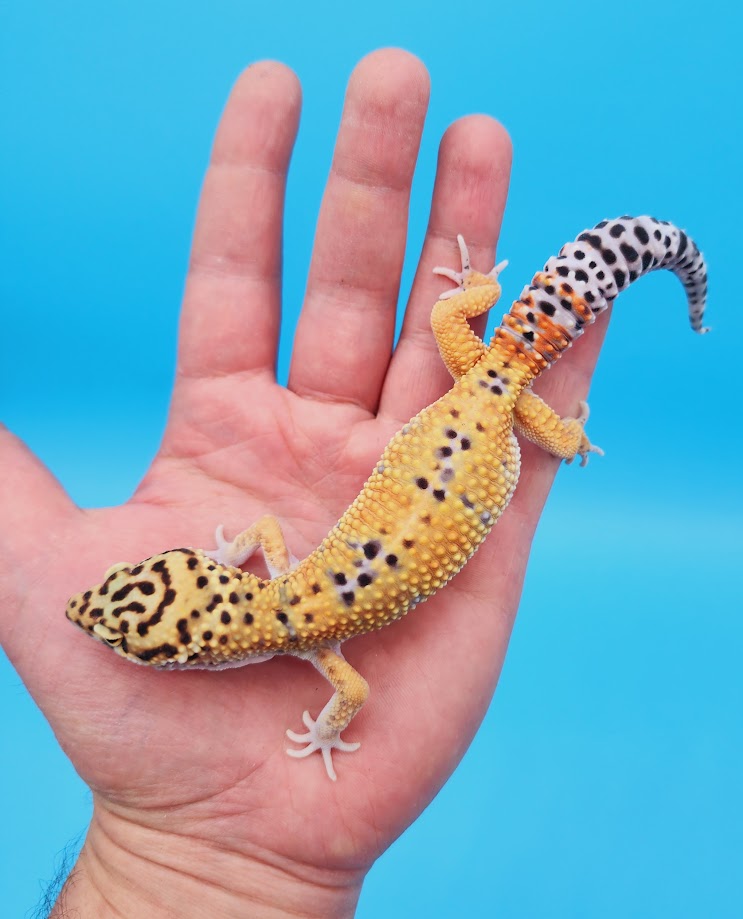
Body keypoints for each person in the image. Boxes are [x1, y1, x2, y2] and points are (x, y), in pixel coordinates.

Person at [0, 49, 609, 916]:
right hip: (482, 397)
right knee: (480, 349)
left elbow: (351, 692)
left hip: (495, 418)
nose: (91, 615)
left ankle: (563, 382)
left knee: (548, 425)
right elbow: (263, 539)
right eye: (125, 624)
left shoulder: (318, 645)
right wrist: (230, 555)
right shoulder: (284, 589)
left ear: (211, 653)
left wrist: (324, 731)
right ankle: (507, 300)